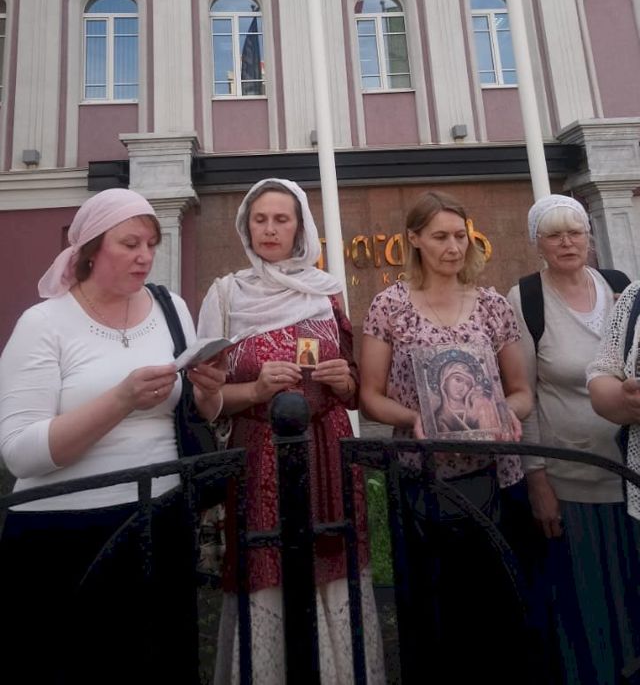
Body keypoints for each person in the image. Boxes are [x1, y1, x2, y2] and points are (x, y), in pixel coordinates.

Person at [0, 187, 226, 685]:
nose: (145, 256)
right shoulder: (43, 324)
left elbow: (196, 411)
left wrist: (209, 391)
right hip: (65, 534)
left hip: (159, 520)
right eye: (130, 244)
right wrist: (121, 399)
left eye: (151, 244)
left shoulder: (171, 308)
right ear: (89, 251)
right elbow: (20, 454)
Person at [198, 177, 384, 685]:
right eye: (260, 220)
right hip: (258, 455)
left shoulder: (326, 291)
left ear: (301, 227)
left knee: (332, 560)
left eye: (282, 219)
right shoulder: (227, 294)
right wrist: (255, 391)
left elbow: (354, 387)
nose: (270, 229)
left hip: (328, 450)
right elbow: (207, 399)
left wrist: (343, 380)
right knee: (267, 565)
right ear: (246, 227)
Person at [360, 190, 532, 685]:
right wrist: (417, 420)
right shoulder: (389, 306)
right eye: (440, 237)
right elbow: (370, 396)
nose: (453, 247)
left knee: (494, 610)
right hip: (423, 484)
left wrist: (503, 414)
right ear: (414, 239)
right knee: (431, 612)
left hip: (492, 479)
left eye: (460, 236)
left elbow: (521, 392)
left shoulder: (492, 305)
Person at [507, 193, 640, 685]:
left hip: (633, 473)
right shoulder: (527, 300)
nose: (567, 242)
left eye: (576, 232)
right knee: (589, 601)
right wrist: (537, 479)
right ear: (537, 243)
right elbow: (525, 394)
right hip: (573, 478)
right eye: (554, 235)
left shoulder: (621, 288)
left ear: (589, 236)